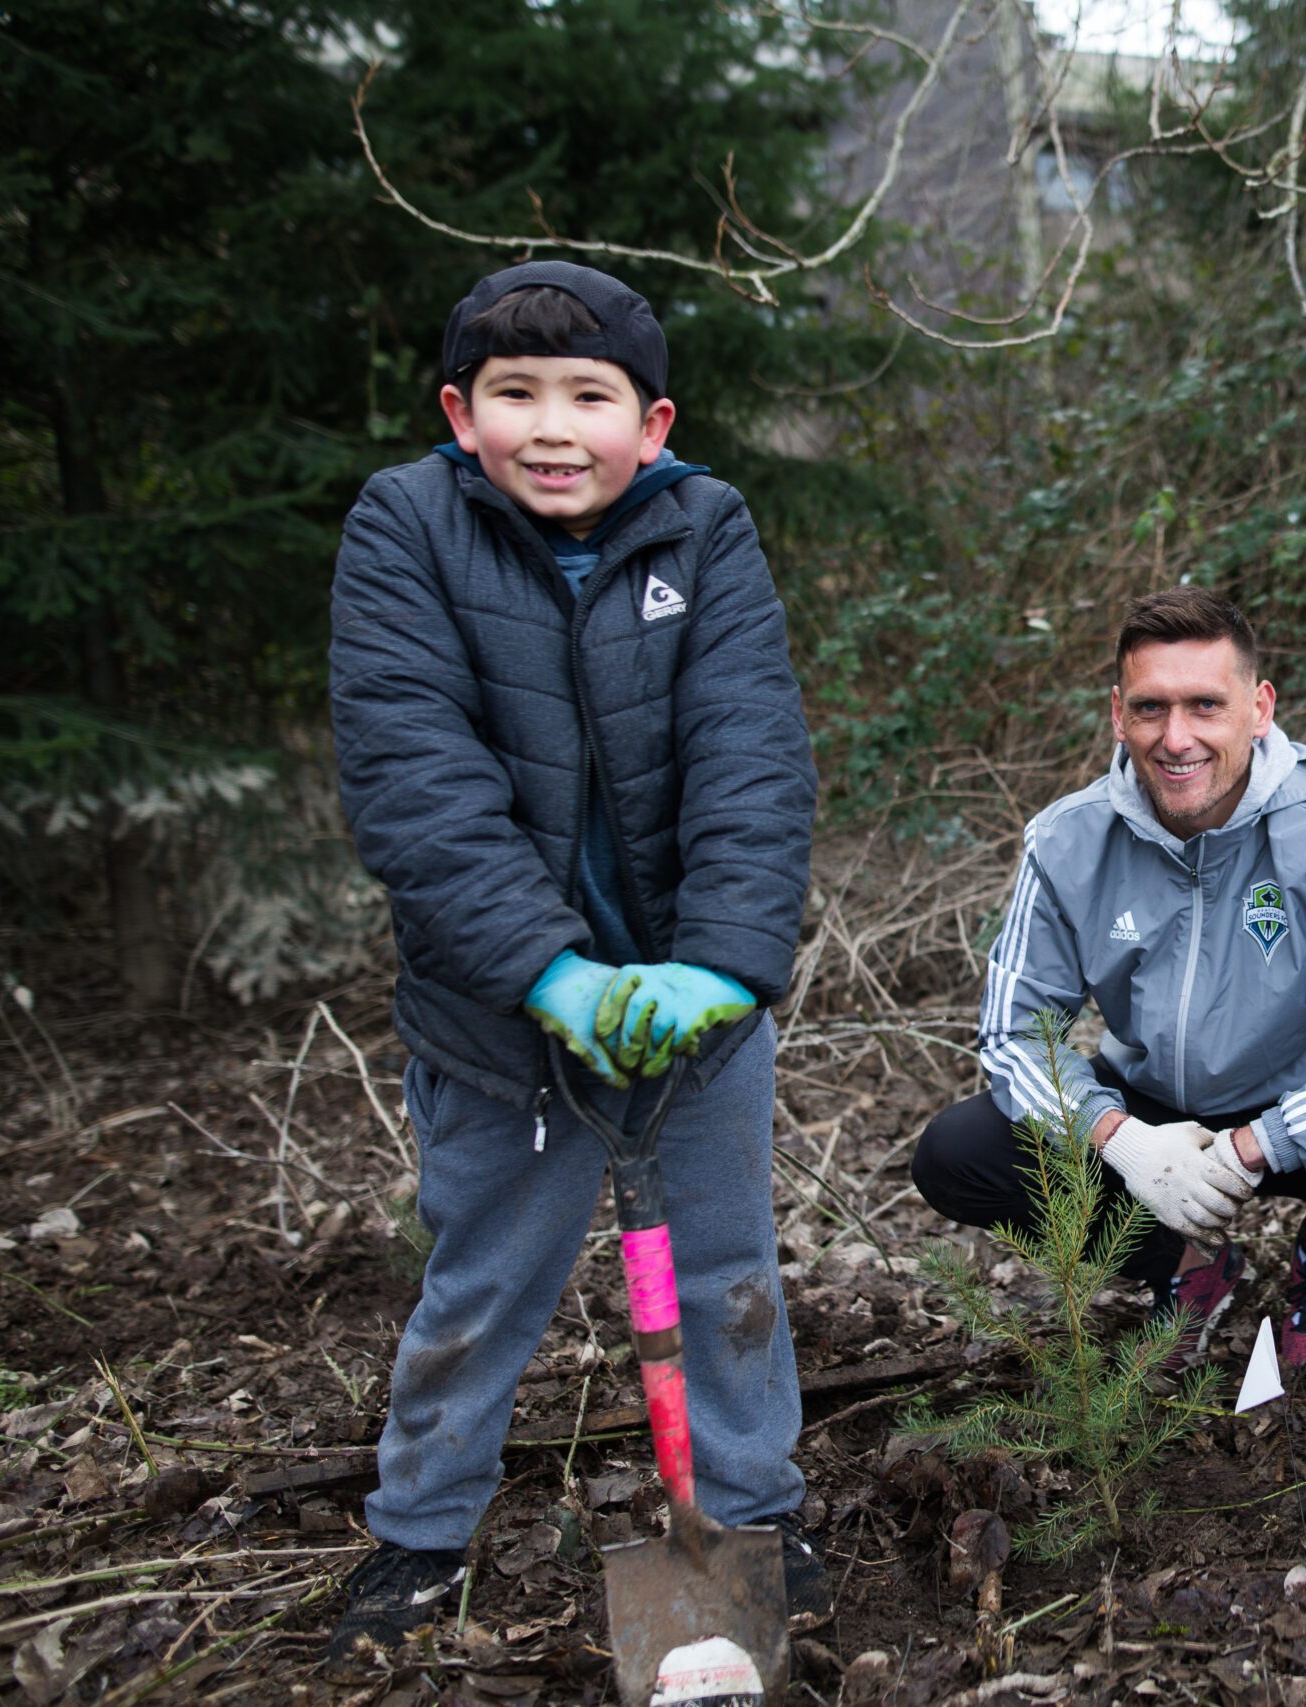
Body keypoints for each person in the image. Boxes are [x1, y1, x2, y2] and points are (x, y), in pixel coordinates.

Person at [325, 261, 823, 1665]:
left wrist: (720, 968)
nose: (553, 426)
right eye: (516, 394)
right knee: (484, 1281)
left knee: (727, 1273)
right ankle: (419, 1528)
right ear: (459, 412)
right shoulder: (405, 528)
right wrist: (545, 970)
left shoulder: (706, 529)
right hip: (500, 1016)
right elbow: (416, 779)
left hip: (689, 1013)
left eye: (588, 397)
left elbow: (751, 754)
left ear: (651, 425)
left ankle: (752, 1516)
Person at [913, 588, 1306, 1376]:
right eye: (1152, 708)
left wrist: (1256, 1146)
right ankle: (1183, 1263)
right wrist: (1122, 1142)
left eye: (1205, 705)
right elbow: (1014, 1035)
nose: (1176, 737)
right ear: (1118, 714)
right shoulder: (1067, 842)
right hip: (1158, 1110)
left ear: (1258, 709)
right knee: (958, 1152)